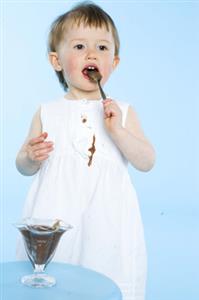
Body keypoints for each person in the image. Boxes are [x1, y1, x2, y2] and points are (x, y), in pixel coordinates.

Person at [16, 2, 155, 300]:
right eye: (80, 46)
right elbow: (24, 166)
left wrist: (118, 131)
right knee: (53, 279)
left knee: (106, 274)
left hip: (107, 215)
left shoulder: (123, 112)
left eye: (103, 48)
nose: (92, 54)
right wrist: (29, 156)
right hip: (56, 212)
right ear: (56, 60)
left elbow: (146, 161)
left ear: (114, 63)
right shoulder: (47, 111)